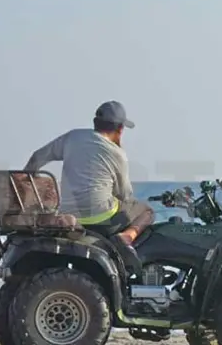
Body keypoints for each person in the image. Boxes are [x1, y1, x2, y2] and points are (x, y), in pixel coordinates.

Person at [23, 100, 154, 248]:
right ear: (120, 129)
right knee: (147, 211)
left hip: (69, 215)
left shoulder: (73, 137)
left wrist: (25, 182)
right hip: (102, 220)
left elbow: (37, 157)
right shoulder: (118, 154)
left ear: (95, 123)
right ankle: (127, 237)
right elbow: (124, 195)